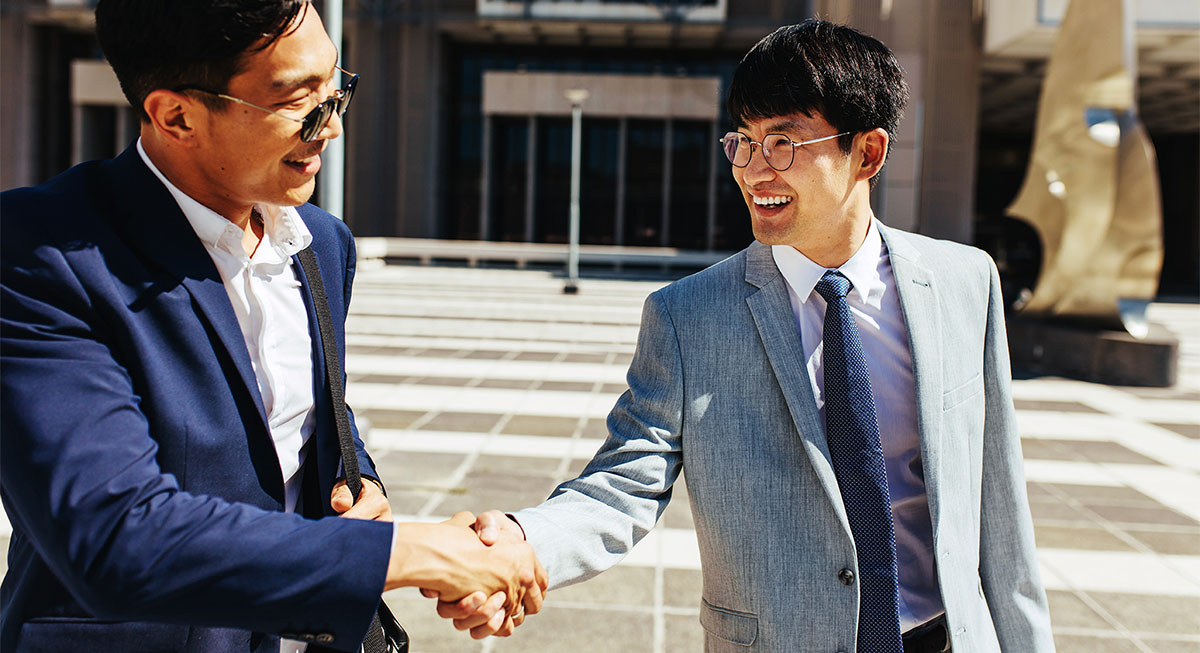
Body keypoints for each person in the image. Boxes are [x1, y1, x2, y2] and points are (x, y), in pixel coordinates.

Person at [442, 19, 1055, 652]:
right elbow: (625, 483)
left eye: (784, 142)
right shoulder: (688, 317)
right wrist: (522, 542)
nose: (754, 170)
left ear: (868, 152)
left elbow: (1001, 513)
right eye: (743, 141)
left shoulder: (963, 283)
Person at [0, 1, 543, 651]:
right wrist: (408, 551)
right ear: (177, 116)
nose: (332, 128)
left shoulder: (322, 242)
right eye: (299, 102)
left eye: (337, 88)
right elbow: (116, 536)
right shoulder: (37, 254)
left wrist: (359, 484)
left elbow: (304, 420)